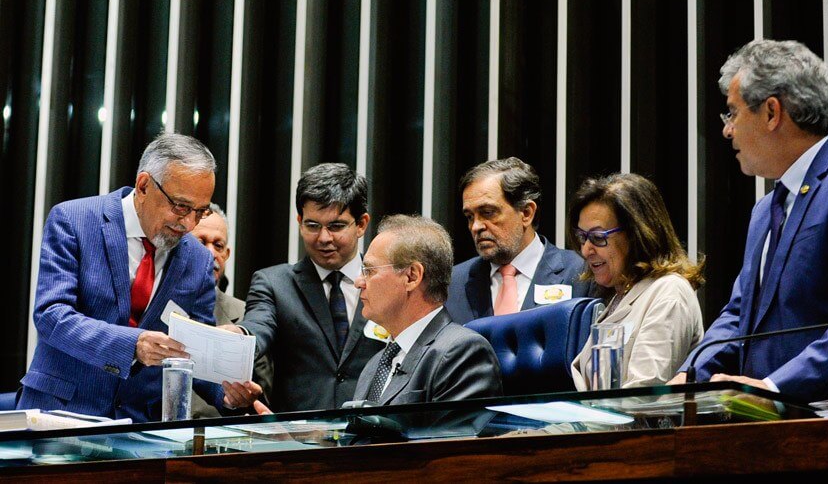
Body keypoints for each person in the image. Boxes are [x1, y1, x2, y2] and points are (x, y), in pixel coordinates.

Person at [670, 39, 828, 402]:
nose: (727, 130)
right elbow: (739, 314)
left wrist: (776, 387)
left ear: (772, 112)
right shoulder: (765, 209)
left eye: (733, 113)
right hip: (760, 428)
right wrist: (689, 375)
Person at [18, 133, 256, 422]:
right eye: (181, 206)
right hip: (60, 412)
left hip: (140, 430)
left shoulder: (198, 258)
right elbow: (51, 315)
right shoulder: (75, 220)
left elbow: (194, 353)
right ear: (144, 186)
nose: (189, 223)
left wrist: (228, 395)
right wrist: (133, 344)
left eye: (200, 211)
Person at [221, 163, 386, 412]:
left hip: (373, 435)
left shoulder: (386, 283)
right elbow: (258, 325)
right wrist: (239, 336)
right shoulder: (275, 284)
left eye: (336, 226)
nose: (323, 238)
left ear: (361, 224)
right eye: (312, 225)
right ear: (299, 221)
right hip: (299, 439)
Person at [568, 173, 705, 390]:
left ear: (637, 234)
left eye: (598, 237)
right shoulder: (617, 297)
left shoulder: (669, 292)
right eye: (583, 237)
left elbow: (644, 394)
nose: (586, 250)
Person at [351, 215, 503, 405]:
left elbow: (452, 434)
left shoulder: (462, 353)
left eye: (370, 271)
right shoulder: (374, 365)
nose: (359, 282)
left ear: (412, 276)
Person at [446, 157, 592, 324]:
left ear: (526, 213)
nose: (475, 226)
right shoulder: (453, 284)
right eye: (470, 217)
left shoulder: (581, 272)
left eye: (487, 212)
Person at [189, 203, 273, 418]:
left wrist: (239, 399)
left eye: (218, 245)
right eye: (201, 242)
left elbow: (263, 397)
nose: (210, 253)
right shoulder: (153, 303)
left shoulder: (247, 317)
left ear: (227, 254)